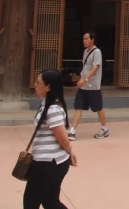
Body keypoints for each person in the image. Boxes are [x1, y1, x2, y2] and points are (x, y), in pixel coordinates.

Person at [25, 69, 78, 209]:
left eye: (38, 82)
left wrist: (70, 152)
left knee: (30, 203)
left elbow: (62, 137)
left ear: (48, 87)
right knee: (51, 202)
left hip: (48, 163)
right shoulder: (46, 104)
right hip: (52, 162)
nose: (35, 85)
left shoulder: (52, 109)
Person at [68, 32, 109, 140]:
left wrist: (85, 79)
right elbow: (85, 67)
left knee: (98, 108)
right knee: (78, 107)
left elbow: (95, 68)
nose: (84, 41)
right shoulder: (85, 52)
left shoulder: (97, 52)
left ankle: (104, 128)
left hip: (93, 86)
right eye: (83, 39)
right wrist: (81, 80)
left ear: (92, 40)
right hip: (83, 86)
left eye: (86, 39)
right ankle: (72, 131)